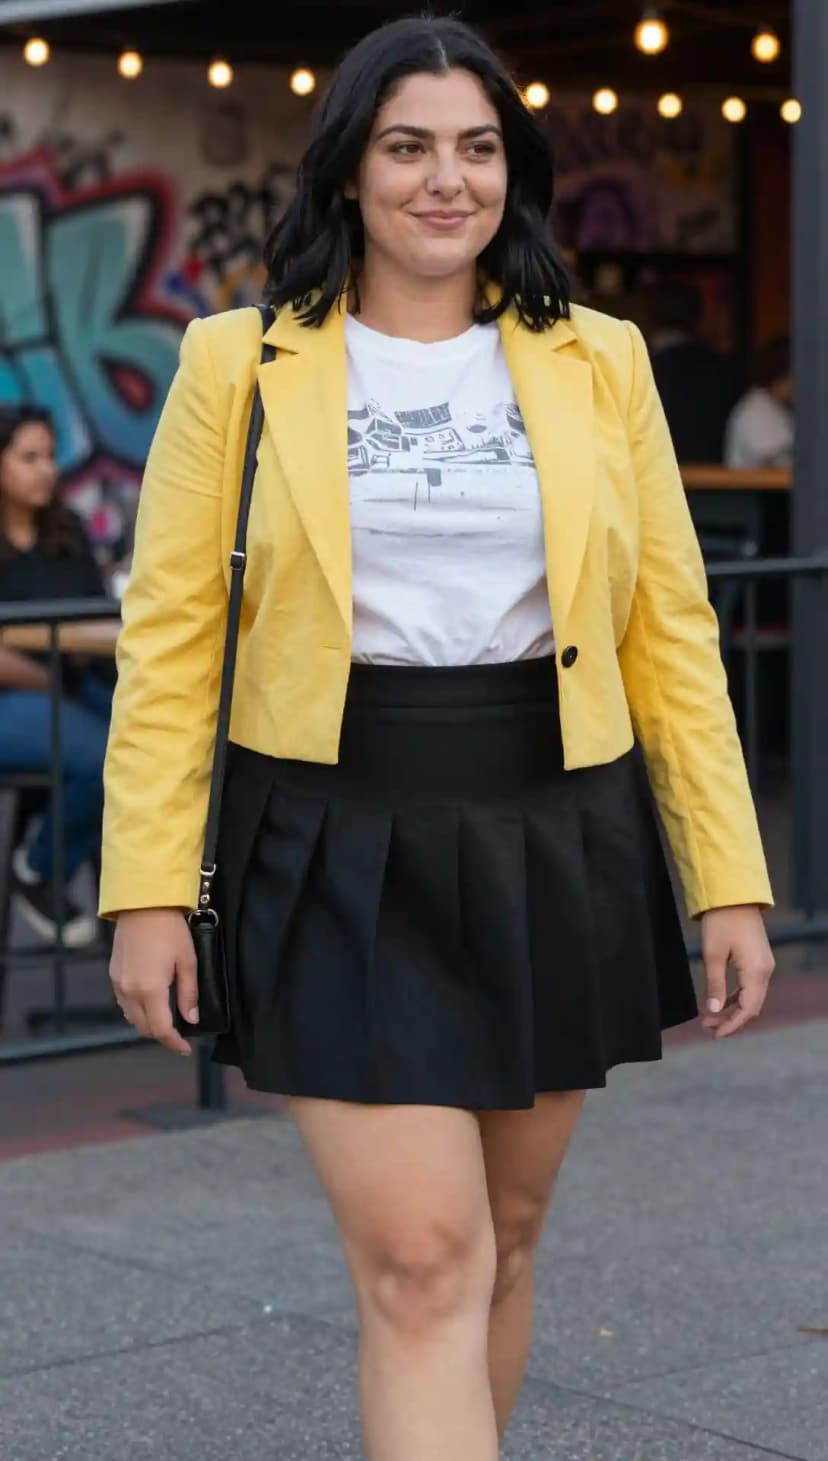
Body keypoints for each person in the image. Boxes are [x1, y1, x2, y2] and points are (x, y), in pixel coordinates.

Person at [101, 17, 775, 1460]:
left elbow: (671, 627)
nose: (443, 180)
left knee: (507, 1243)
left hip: (553, 820)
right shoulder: (240, 362)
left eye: (476, 148)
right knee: (423, 1262)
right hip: (334, 830)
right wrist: (147, 888)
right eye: (407, 147)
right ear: (348, 169)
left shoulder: (600, 359)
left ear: (511, 174)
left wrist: (726, 874)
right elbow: (169, 643)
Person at [0, 405, 113, 947]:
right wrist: (48, 679)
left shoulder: (64, 531)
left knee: (154, 748)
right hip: (18, 700)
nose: (45, 469)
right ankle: (38, 869)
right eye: (28, 457)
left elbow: (93, 620)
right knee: (107, 757)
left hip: (70, 686)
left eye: (49, 456)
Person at [647, 279, 744, 463]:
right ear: (700, 316)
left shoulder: (638, 373)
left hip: (654, 484)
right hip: (722, 484)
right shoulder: (726, 371)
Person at [725, 334, 794, 469]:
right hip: (755, 489)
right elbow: (774, 465)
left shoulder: (777, 407)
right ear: (781, 375)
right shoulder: (757, 410)